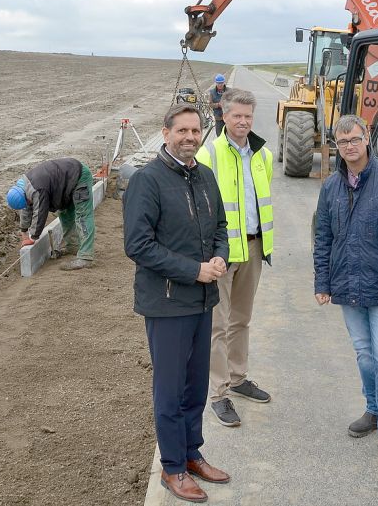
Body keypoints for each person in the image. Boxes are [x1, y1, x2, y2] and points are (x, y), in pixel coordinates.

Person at [123, 102, 231, 503]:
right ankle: (171, 467)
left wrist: (219, 256)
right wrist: (193, 270)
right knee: (169, 391)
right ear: (166, 133)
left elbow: (220, 224)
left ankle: (191, 454)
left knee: (195, 386)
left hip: (202, 301)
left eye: (195, 131)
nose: (189, 137)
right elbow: (137, 245)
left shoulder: (204, 176)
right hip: (167, 304)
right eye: (182, 131)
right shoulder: (147, 181)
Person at [313, 115, 378, 464]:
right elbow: (323, 237)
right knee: (364, 354)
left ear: (367, 137)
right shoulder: (330, 187)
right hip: (346, 286)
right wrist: (322, 283)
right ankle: (373, 410)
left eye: (354, 139)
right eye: (342, 143)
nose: (349, 147)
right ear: (336, 146)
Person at [196, 88, 275, 427]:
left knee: (241, 319)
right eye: (236, 116)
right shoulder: (209, 154)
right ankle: (218, 393)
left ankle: (239, 377)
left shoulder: (263, 156)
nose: (243, 122)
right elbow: (200, 207)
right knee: (217, 325)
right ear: (224, 117)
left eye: (248, 116)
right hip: (222, 253)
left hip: (255, 248)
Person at [5, 158, 95, 271]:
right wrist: (23, 231)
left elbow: (40, 213)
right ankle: (72, 246)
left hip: (79, 176)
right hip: (64, 184)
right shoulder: (23, 188)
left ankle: (85, 257)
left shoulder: (37, 189)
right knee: (65, 214)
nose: (28, 204)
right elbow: (26, 208)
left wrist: (33, 237)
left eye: (27, 202)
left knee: (83, 216)